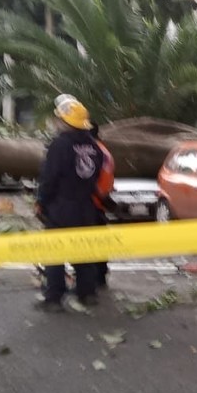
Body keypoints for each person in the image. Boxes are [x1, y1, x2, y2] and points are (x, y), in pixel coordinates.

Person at [34, 94, 106, 312]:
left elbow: (50, 178)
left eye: (58, 119)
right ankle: (87, 293)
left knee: (55, 253)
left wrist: (41, 202)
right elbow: (95, 176)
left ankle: (54, 298)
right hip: (85, 207)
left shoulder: (59, 145)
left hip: (61, 207)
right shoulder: (95, 147)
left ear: (65, 122)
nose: (56, 122)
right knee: (83, 252)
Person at [89, 122, 115, 290]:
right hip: (101, 201)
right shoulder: (105, 150)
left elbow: (91, 178)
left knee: (90, 244)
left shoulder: (93, 151)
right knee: (99, 242)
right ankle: (101, 276)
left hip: (93, 202)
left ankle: (94, 279)